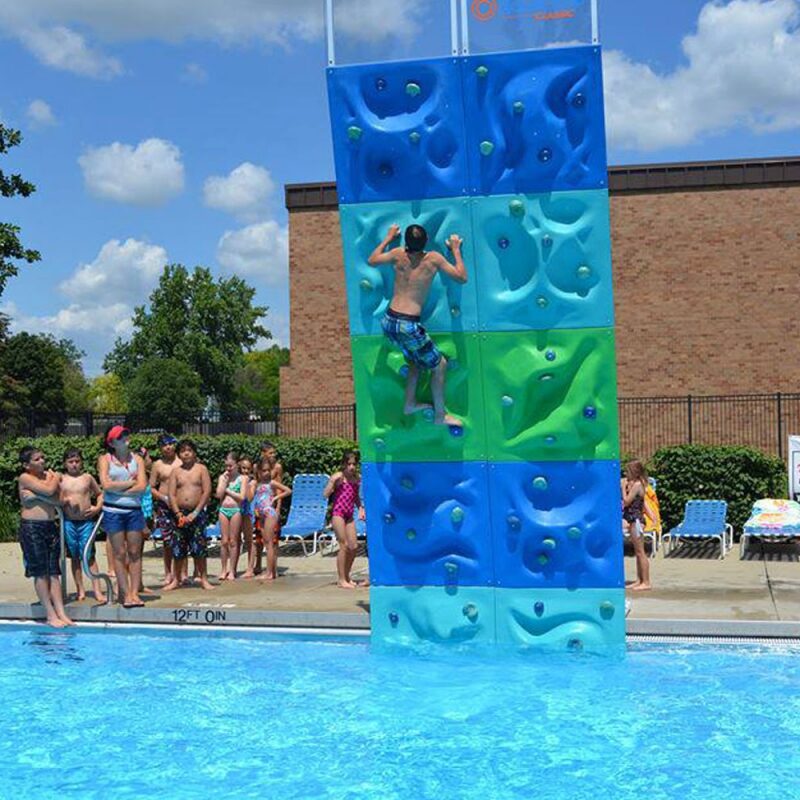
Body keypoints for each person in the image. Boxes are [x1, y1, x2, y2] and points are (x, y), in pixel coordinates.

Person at [368, 223, 467, 428]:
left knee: (415, 361)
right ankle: (440, 416)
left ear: (405, 242)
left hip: (389, 321)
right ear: (427, 240)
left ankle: (410, 404)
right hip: (408, 324)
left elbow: (373, 259)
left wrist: (388, 237)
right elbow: (461, 277)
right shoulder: (433, 259)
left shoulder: (397, 254)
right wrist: (455, 249)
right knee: (440, 365)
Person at [17, 447, 74, 627]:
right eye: (37, 459)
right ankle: (50, 614)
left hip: (50, 526)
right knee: (40, 572)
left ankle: (61, 612)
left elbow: (60, 501)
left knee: (54, 571)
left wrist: (36, 497)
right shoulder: (25, 478)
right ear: (27, 465)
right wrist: (55, 479)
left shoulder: (46, 479)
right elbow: (51, 492)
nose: (42, 461)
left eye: (43, 457)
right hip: (32, 528)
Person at [98, 425, 147, 607]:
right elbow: (106, 485)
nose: (126, 437)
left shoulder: (138, 459)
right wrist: (130, 484)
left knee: (135, 553)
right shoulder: (105, 459)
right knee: (119, 553)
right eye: (120, 436)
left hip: (134, 511)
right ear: (111, 442)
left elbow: (142, 486)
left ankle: (134, 593)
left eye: (126, 434)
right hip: (113, 512)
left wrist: (120, 491)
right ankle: (124, 594)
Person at [165, 439, 214, 591]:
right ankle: (176, 579)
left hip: (197, 513)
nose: (186, 453)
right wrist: (178, 513)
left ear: (194, 453)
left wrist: (196, 512)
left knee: (199, 547)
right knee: (178, 548)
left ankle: (204, 578)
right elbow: (171, 494)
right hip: (179, 514)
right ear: (179, 454)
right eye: (182, 451)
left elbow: (207, 491)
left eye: (189, 450)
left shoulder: (201, 469)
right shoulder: (176, 472)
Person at [60, 448, 106, 603]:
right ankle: (80, 589)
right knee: (74, 557)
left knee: (89, 555)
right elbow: (54, 497)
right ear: (65, 463)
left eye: (77, 461)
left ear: (82, 463)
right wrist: (64, 501)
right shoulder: (61, 479)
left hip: (86, 521)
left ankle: (97, 590)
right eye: (71, 462)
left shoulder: (87, 478)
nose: (74, 465)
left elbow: (100, 494)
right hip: (69, 521)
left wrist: (97, 508)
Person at [323, 450, 366, 589]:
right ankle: (341, 579)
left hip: (349, 515)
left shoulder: (356, 479)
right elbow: (325, 494)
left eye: (354, 464)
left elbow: (355, 497)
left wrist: (360, 508)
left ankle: (347, 576)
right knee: (344, 545)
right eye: (349, 464)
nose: (351, 467)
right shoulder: (339, 477)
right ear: (344, 464)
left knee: (354, 546)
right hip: (338, 514)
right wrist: (331, 482)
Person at [252, 457, 291, 582]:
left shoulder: (272, 483)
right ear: (258, 471)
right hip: (261, 514)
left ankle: (269, 573)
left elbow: (288, 490)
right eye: (264, 470)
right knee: (265, 543)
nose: (267, 473)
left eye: (268, 470)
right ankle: (271, 571)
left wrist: (275, 498)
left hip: (269, 513)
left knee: (269, 544)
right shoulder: (256, 483)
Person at [150, 433, 181, 586]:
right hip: (164, 506)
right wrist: (164, 498)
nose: (168, 447)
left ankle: (181, 573)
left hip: (181, 506)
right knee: (168, 541)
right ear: (160, 448)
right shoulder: (157, 465)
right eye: (164, 445)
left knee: (182, 540)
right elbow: (151, 487)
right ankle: (168, 573)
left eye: (170, 444)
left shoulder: (182, 462)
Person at [216, 451, 248, 581]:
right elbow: (218, 495)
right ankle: (224, 569)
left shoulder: (243, 479)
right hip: (223, 510)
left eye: (231, 466)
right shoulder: (223, 477)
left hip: (235, 510)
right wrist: (224, 482)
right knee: (224, 541)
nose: (228, 468)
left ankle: (232, 570)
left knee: (233, 541)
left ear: (237, 465)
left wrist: (228, 490)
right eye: (226, 466)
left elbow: (242, 497)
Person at [622, 460, 652, 592]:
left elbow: (627, 502)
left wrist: (623, 488)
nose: (625, 473)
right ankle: (639, 580)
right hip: (633, 520)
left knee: (641, 552)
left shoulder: (638, 485)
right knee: (637, 552)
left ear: (634, 472)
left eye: (628, 470)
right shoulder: (636, 484)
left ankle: (646, 581)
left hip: (637, 521)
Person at [238, 457, 257, 579]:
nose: (245, 471)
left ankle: (250, 568)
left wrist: (246, 483)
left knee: (249, 540)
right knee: (234, 540)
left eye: (248, 469)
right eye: (243, 468)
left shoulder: (253, 482)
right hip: (237, 510)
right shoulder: (236, 479)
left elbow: (249, 497)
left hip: (247, 511)